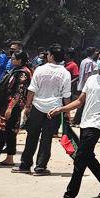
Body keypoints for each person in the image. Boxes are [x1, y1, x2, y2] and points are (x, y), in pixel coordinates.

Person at [47, 49, 100, 198]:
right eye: (99, 58)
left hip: (98, 122)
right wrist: (61, 109)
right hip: (85, 121)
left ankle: (69, 196)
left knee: (80, 157)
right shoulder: (91, 79)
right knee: (86, 155)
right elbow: (80, 101)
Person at [15, 44, 72, 176]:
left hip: (37, 106)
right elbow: (66, 95)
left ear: (51, 56)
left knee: (31, 137)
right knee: (46, 139)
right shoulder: (65, 73)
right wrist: (67, 112)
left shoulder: (40, 70)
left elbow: (32, 90)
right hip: (55, 109)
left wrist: (27, 106)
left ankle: (25, 164)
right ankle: (40, 167)